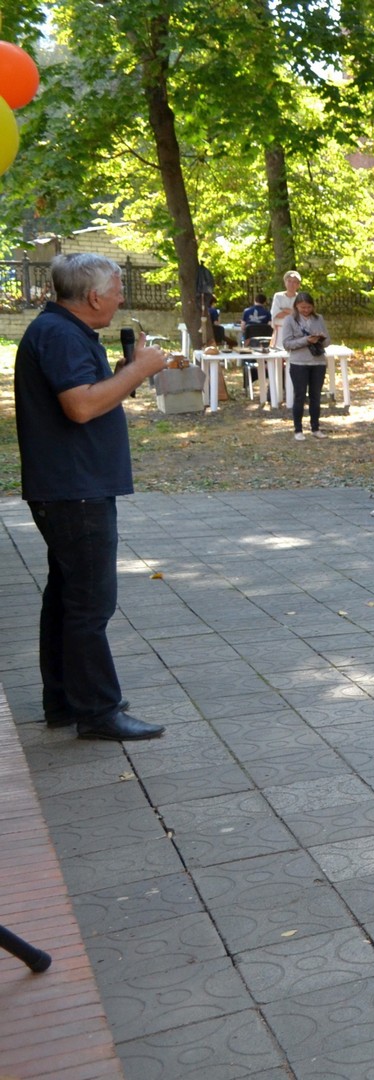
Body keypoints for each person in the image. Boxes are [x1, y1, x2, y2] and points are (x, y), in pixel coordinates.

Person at [13, 253, 173, 741]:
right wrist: (138, 372)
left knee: (66, 597)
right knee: (89, 603)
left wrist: (124, 371)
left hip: (70, 486)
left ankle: (64, 699)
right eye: (118, 288)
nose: (123, 296)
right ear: (94, 296)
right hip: (75, 489)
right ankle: (98, 711)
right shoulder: (60, 334)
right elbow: (80, 407)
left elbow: (86, 392)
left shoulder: (60, 330)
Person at [281, 290, 330, 440]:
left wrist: (320, 338)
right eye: (302, 307)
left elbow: (328, 341)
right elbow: (286, 344)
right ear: (296, 306)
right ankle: (298, 430)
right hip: (299, 363)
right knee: (300, 396)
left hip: (318, 362)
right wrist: (306, 340)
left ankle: (315, 428)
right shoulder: (290, 320)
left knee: (316, 396)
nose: (306, 310)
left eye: (308, 307)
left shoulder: (319, 318)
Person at [268, 270, 302, 342]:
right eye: (289, 281)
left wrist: (284, 310)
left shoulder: (301, 298)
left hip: (296, 333)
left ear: (298, 285)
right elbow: (276, 314)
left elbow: (301, 315)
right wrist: (293, 312)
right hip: (280, 332)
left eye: (294, 282)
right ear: (285, 283)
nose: (291, 284)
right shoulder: (278, 296)